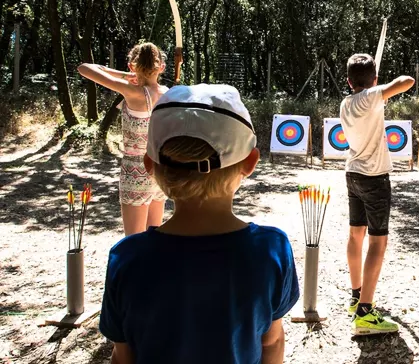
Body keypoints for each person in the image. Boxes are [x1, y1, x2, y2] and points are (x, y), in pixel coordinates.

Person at [99, 84, 299, 363]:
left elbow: (123, 357)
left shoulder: (127, 257)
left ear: (149, 165)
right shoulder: (271, 249)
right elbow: (273, 343)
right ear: (251, 162)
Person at [340, 54, 415, 335]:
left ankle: (356, 296)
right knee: (378, 243)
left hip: (353, 174)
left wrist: (374, 89)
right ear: (374, 79)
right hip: (374, 179)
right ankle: (365, 312)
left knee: (355, 235)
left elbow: (370, 98)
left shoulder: (346, 102)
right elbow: (407, 81)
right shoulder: (370, 98)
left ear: (348, 81)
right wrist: (378, 89)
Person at [77, 42, 169, 235]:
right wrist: (135, 74)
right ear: (161, 67)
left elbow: (84, 68)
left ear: (132, 66)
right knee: (154, 236)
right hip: (159, 168)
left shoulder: (132, 91)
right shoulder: (167, 93)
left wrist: (127, 76)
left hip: (135, 170)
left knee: (133, 240)